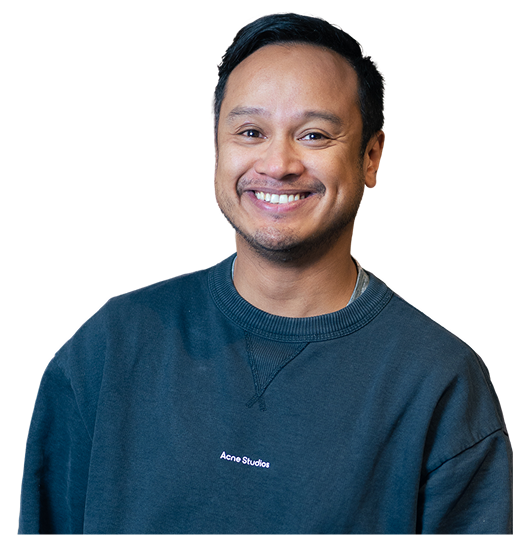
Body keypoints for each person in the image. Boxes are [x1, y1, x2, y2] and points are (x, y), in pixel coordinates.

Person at [19, 12, 512, 534]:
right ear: (216, 146)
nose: (278, 164)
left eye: (314, 135)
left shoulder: (439, 381)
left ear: (371, 156)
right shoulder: (113, 344)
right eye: (251, 132)